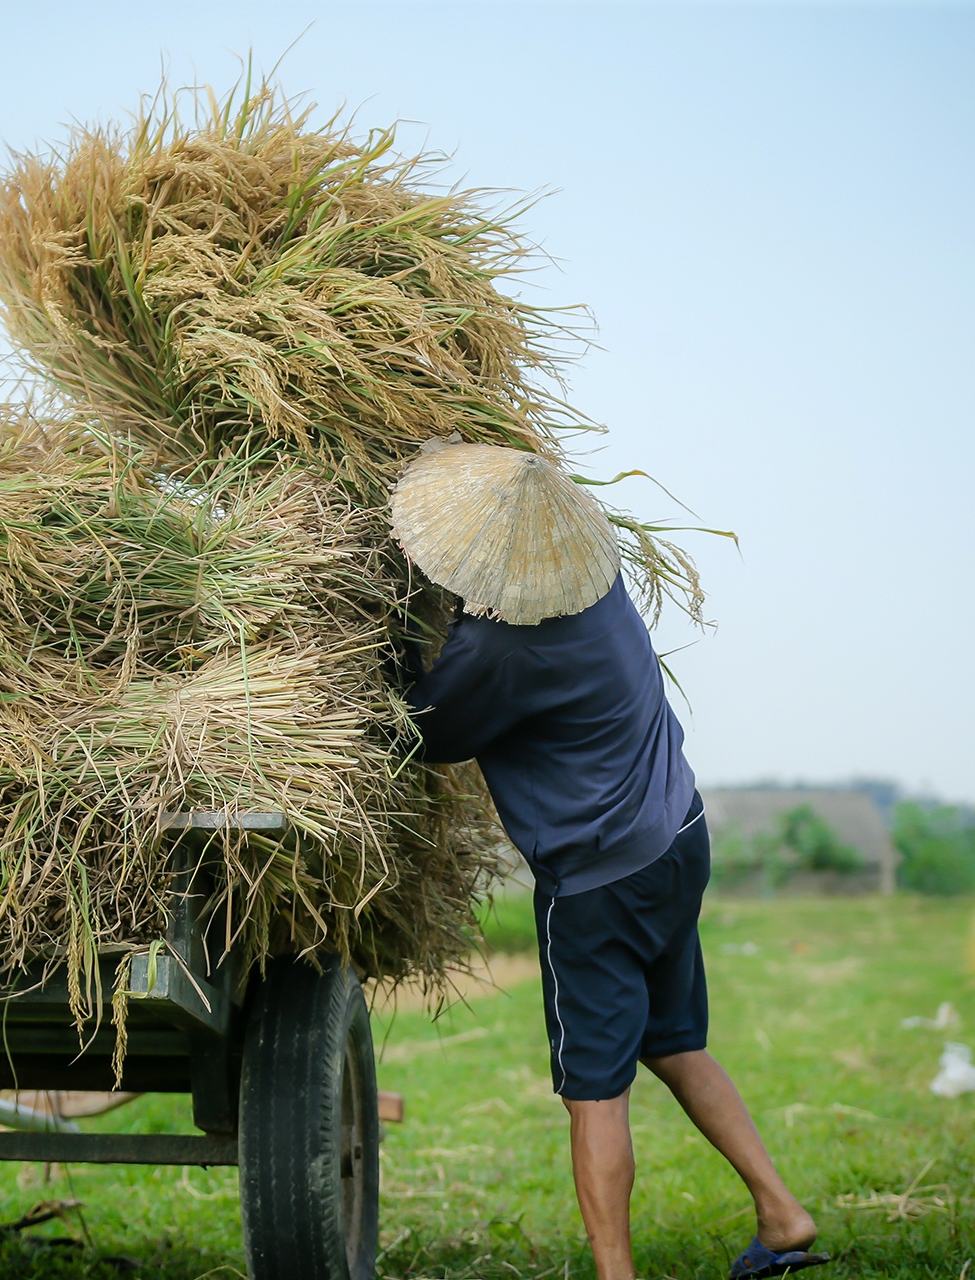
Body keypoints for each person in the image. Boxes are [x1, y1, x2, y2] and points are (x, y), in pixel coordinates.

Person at [390, 441, 827, 1280]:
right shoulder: (597, 584)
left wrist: (402, 640)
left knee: (593, 1090)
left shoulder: (500, 648)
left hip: (596, 883)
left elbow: (427, 735)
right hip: (676, 835)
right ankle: (782, 1214)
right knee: (674, 1040)